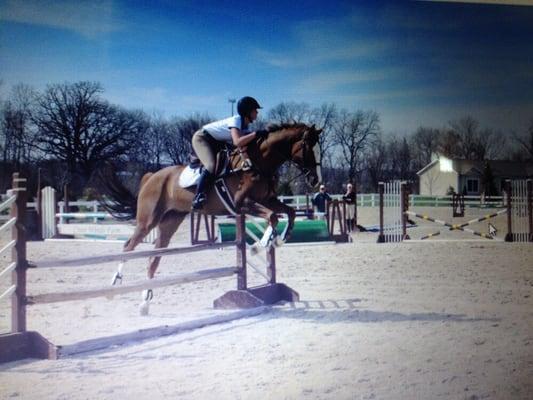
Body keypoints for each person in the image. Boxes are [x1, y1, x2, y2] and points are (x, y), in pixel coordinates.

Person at [190, 96, 268, 209]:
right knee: (211, 165)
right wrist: (255, 134)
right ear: (247, 112)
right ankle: (198, 196)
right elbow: (237, 142)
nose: (257, 112)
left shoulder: (244, 126)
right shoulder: (236, 120)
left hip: (216, 142)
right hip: (202, 138)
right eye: (255, 110)